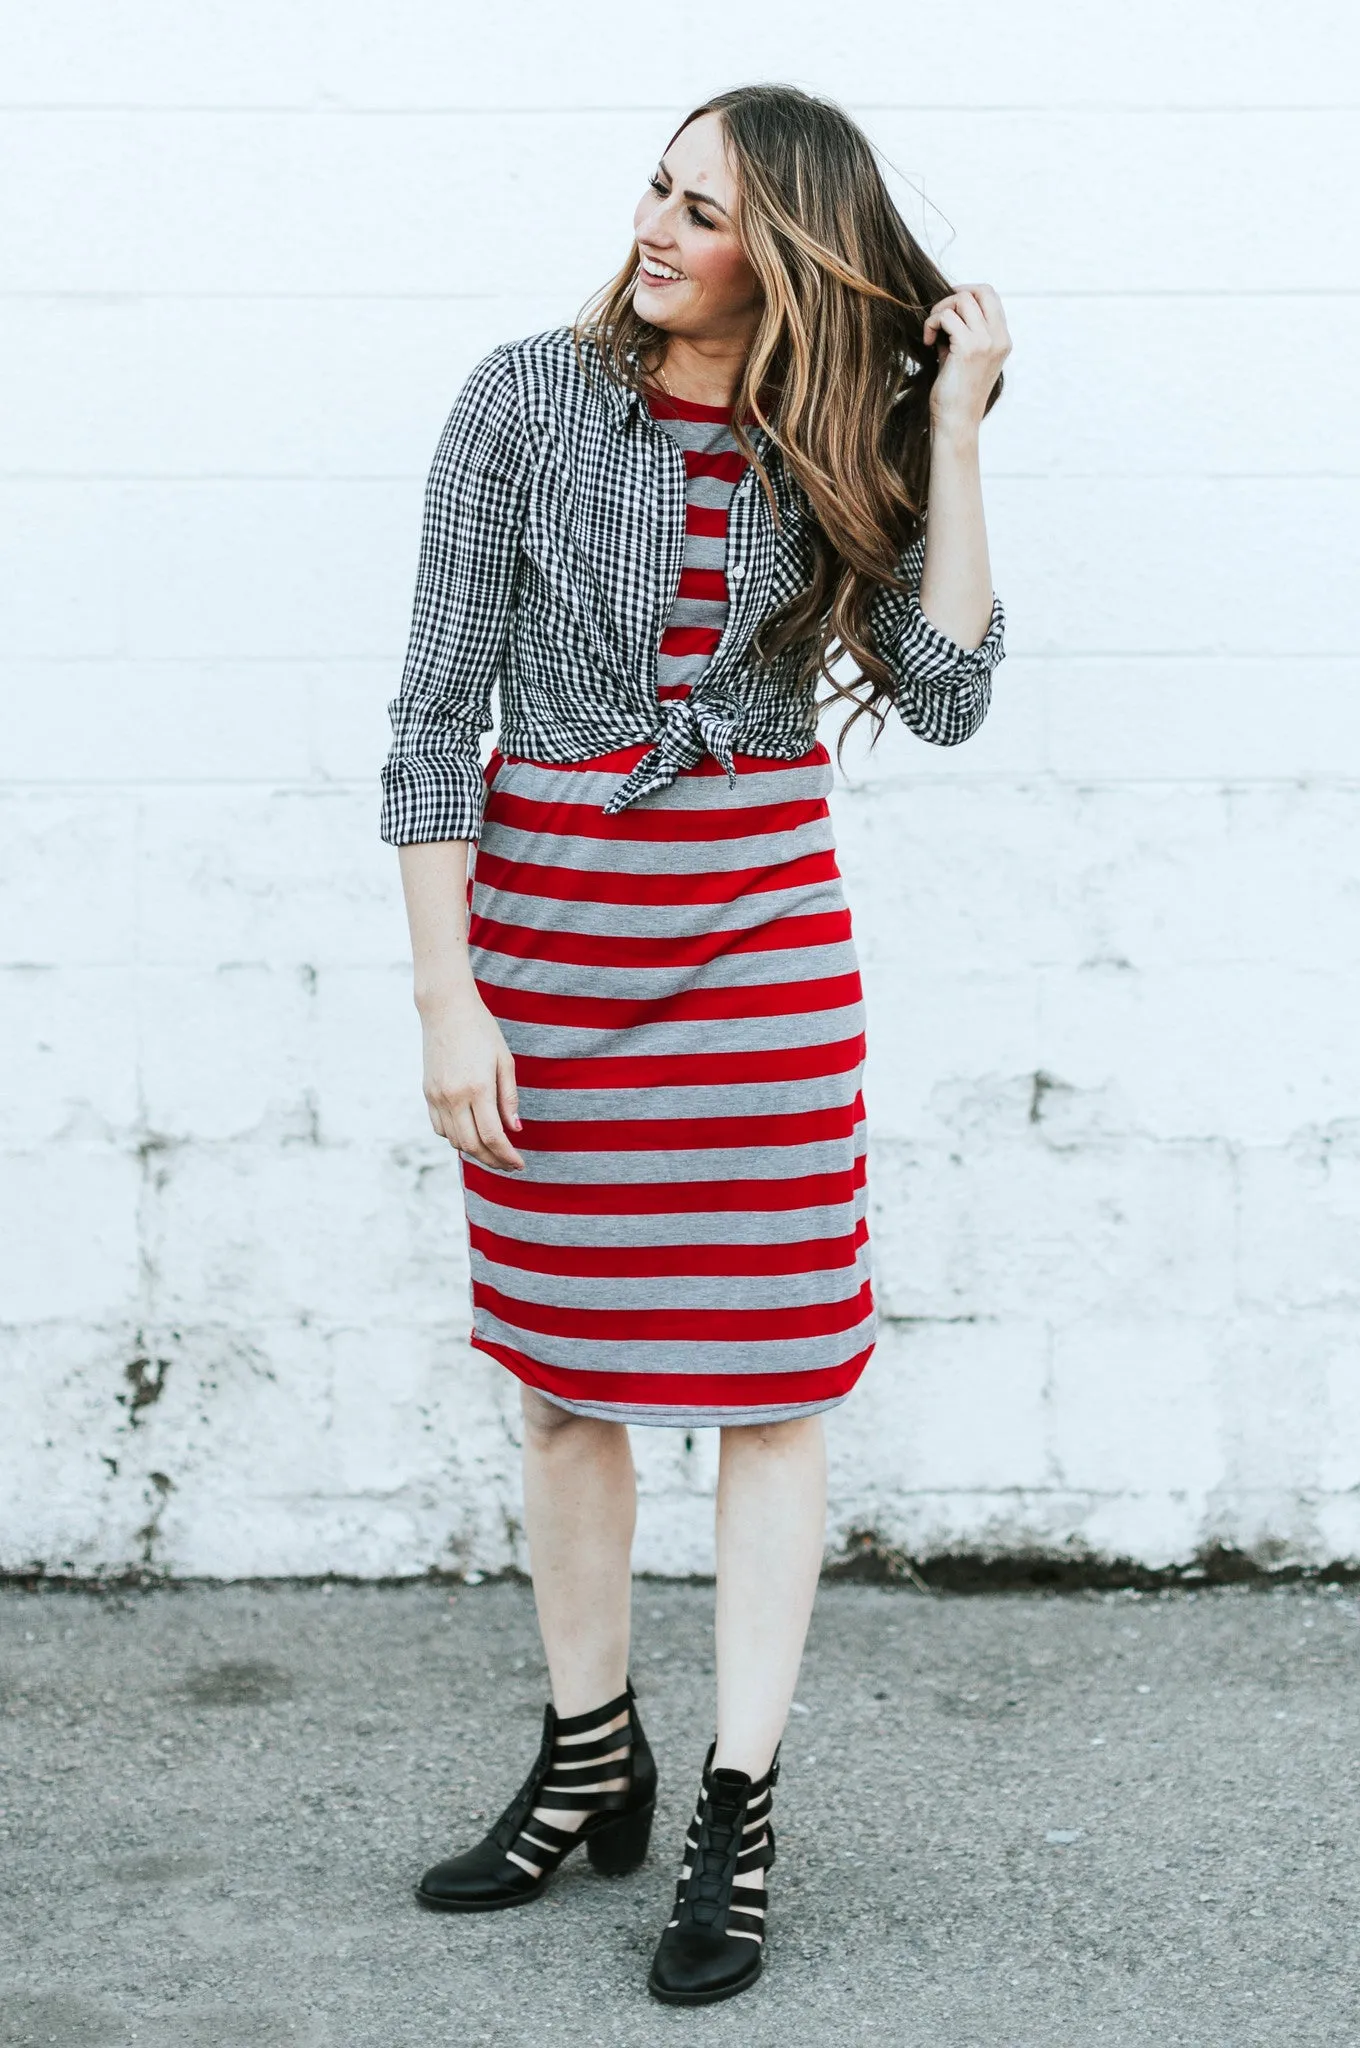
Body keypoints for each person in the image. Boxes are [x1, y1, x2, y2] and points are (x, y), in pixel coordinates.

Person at [381, 82, 1009, 2006]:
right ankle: (592, 1755)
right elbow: (428, 713)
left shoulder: (848, 430)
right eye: (655, 187)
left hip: (758, 945)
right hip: (552, 943)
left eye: (704, 207)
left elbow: (953, 691)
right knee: (566, 1378)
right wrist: (446, 994)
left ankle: (736, 1801)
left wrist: (954, 436)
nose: (655, 227)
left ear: (791, 250)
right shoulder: (521, 397)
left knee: (768, 1382)